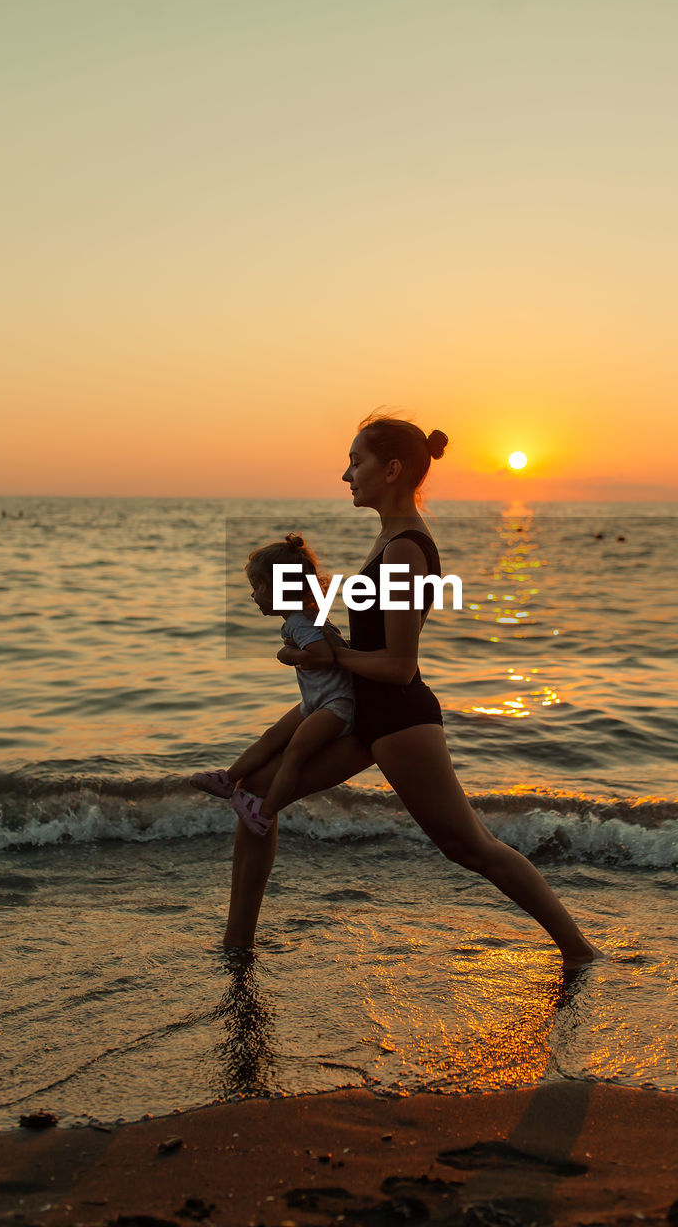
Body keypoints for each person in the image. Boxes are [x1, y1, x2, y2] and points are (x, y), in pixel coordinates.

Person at [222, 414, 601, 971]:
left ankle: (579, 949)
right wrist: (315, 632)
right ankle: (237, 943)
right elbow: (372, 643)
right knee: (254, 794)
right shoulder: (387, 541)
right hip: (364, 711)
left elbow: (400, 665)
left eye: (357, 461)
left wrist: (333, 656)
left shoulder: (404, 550)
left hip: (399, 718)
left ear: (392, 469)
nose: (346, 474)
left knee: (470, 846)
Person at [190, 533, 355, 836]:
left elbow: (324, 656)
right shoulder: (302, 615)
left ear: (275, 589)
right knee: (272, 737)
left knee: (293, 754)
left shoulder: (299, 622)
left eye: (257, 588)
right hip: (319, 699)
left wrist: (288, 654)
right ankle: (228, 779)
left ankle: (263, 815)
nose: (253, 596)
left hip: (336, 704)